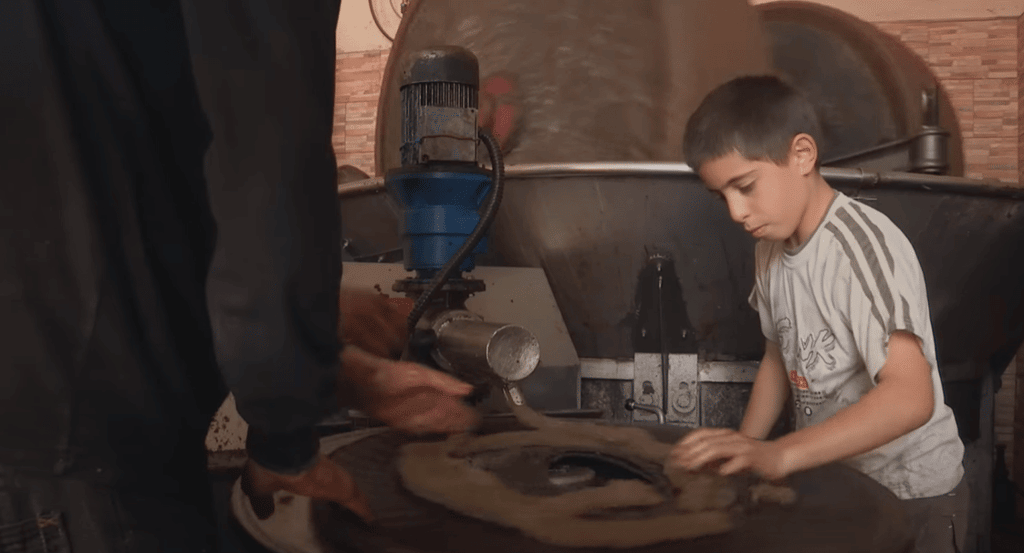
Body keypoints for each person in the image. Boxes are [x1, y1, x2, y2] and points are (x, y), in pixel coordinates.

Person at [1, 0, 476, 551]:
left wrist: (327, 357)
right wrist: (286, 434)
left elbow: (120, 206)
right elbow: (264, 165)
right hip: (85, 478)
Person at [668, 75, 969, 553]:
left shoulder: (861, 249)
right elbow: (777, 358)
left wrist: (779, 454)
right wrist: (742, 455)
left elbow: (912, 397)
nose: (735, 212)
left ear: (802, 155)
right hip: (840, 482)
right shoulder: (769, 249)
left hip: (913, 495)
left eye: (745, 187)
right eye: (721, 196)